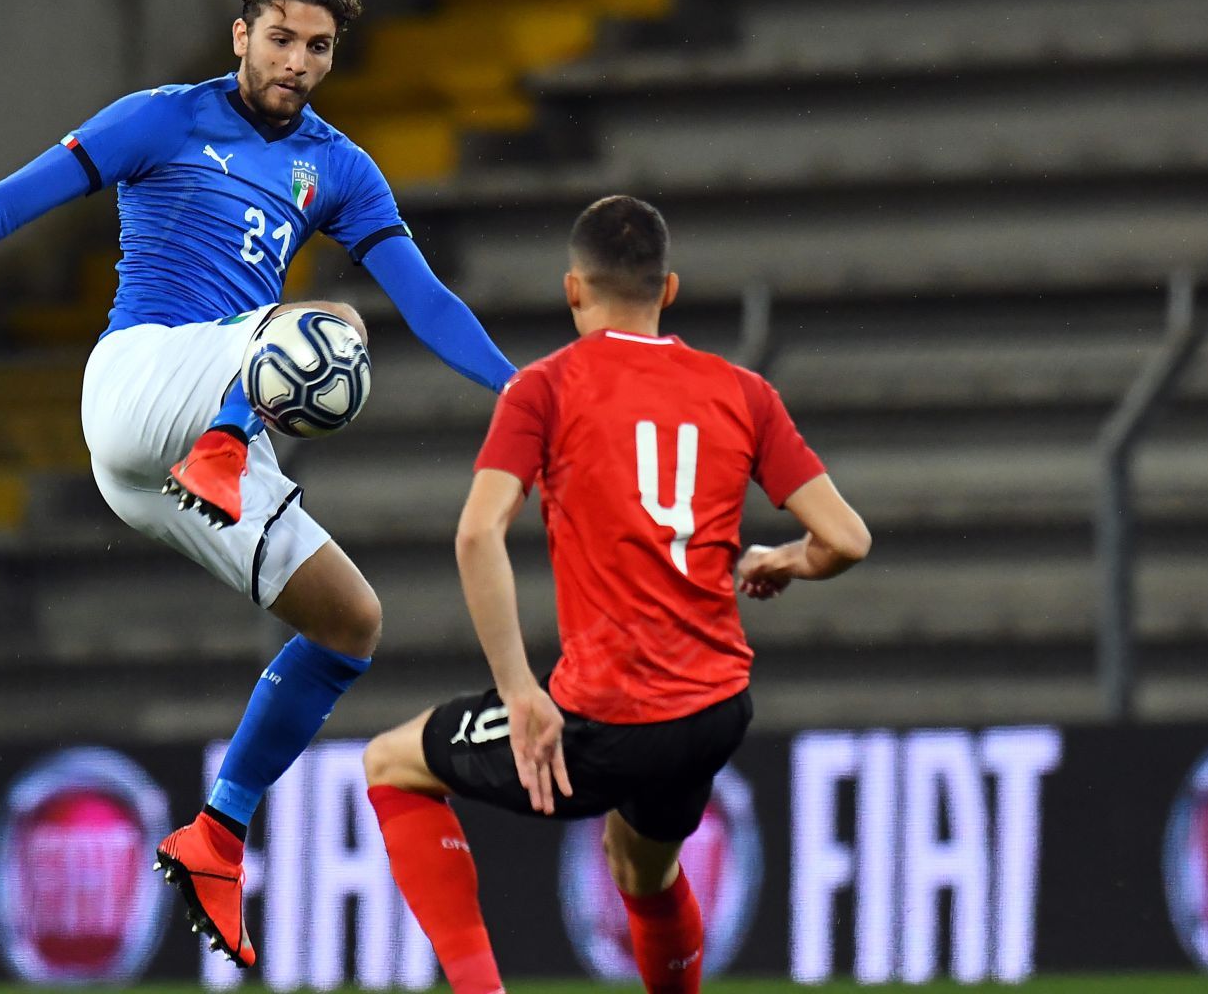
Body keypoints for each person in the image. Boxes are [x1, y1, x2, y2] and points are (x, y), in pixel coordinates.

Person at [0, 0, 515, 966]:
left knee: (350, 623)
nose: (296, 62)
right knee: (327, 321)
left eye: (318, 48)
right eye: (280, 38)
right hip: (137, 385)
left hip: (159, 463)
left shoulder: (338, 166)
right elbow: (18, 197)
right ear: (240, 34)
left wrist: (524, 394)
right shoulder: (164, 116)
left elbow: (426, 300)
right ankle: (227, 444)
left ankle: (218, 831)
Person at [360, 196, 871, 994]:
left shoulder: (543, 389)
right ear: (668, 291)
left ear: (573, 290)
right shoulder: (743, 391)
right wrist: (781, 560)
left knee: (390, 763)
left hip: (608, 715)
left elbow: (476, 533)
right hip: (713, 712)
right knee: (639, 871)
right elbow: (847, 539)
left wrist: (521, 689)